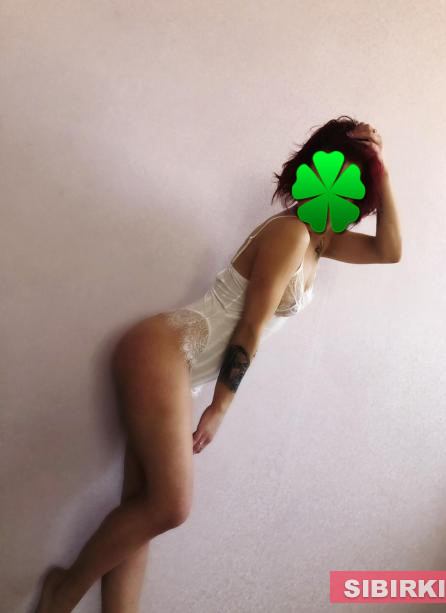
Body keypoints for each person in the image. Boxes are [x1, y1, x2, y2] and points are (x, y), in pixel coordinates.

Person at [34, 116, 402, 612]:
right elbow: (250, 326)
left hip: (178, 367)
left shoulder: (323, 240)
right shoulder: (292, 233)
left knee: (145, 507)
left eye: (361, 182)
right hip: (166, 350)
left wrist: (384, 168)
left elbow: (389, 251)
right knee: (171, 506)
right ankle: (61, 591)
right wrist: (220, 407)